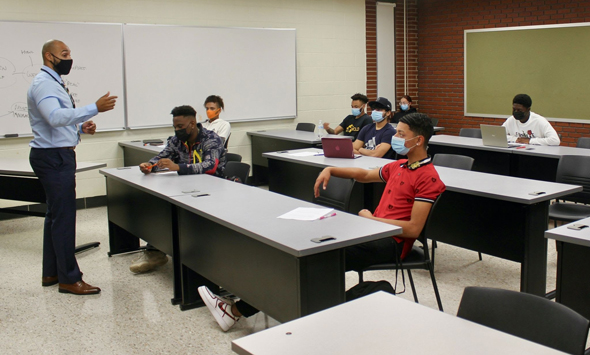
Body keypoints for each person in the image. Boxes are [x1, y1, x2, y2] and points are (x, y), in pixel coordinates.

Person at [198, 113, 445, 331]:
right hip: (371, 231)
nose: (396, 138)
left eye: (402, 134)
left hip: (390, 242)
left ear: (419, 140)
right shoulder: (401, 165)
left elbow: (413, 229)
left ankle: (236, 312)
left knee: (315, 257)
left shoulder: (428, 177)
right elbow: (365, 174)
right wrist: (332, 170)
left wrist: (372, 219)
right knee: (302, 251)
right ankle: (249, 309)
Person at [28, 39, 117, 295]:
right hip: (53, 158)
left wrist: (79, 128)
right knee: (64, 218)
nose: (69, 58)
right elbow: (54, 118)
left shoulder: (53, 82)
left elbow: (55, 122)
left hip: (55, 154)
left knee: (55, 216)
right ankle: (69, 278)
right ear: (49, 56)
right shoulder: (44, 83)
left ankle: (51, 272)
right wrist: (94, 109)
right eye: (64, 54)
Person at [130, 105, 226, 274]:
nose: (177, 130)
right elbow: (162, 157)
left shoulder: (211, 139)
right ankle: (155, 251)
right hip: (186, 188)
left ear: (192, 123)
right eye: (175, 126)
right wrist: (150, 166)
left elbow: (210, 166)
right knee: (160, 205)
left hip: (213, 190)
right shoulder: (176, 141)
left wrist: (178, 167)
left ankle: (197, 254)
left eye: (180, 127)